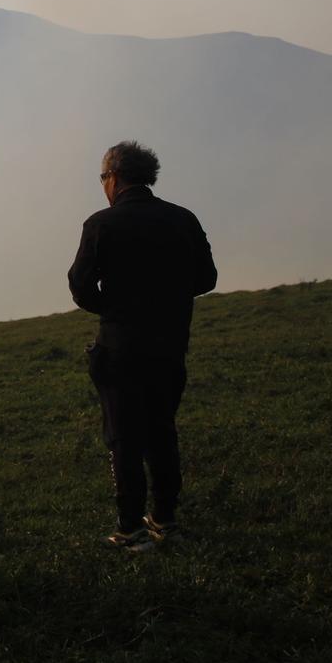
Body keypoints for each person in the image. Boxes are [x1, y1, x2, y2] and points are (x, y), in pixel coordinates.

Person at [67, 140, 216, 552]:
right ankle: (165, 519)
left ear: (113, 177)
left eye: (102, 177)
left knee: (123, 437)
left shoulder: (100, 224)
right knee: (162, 431)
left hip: (119, 348)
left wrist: (113, 308)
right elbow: (207, 278)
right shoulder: (183, 219)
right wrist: (167, 300)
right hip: (170, 345)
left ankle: (129, 528)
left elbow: (79, 286)